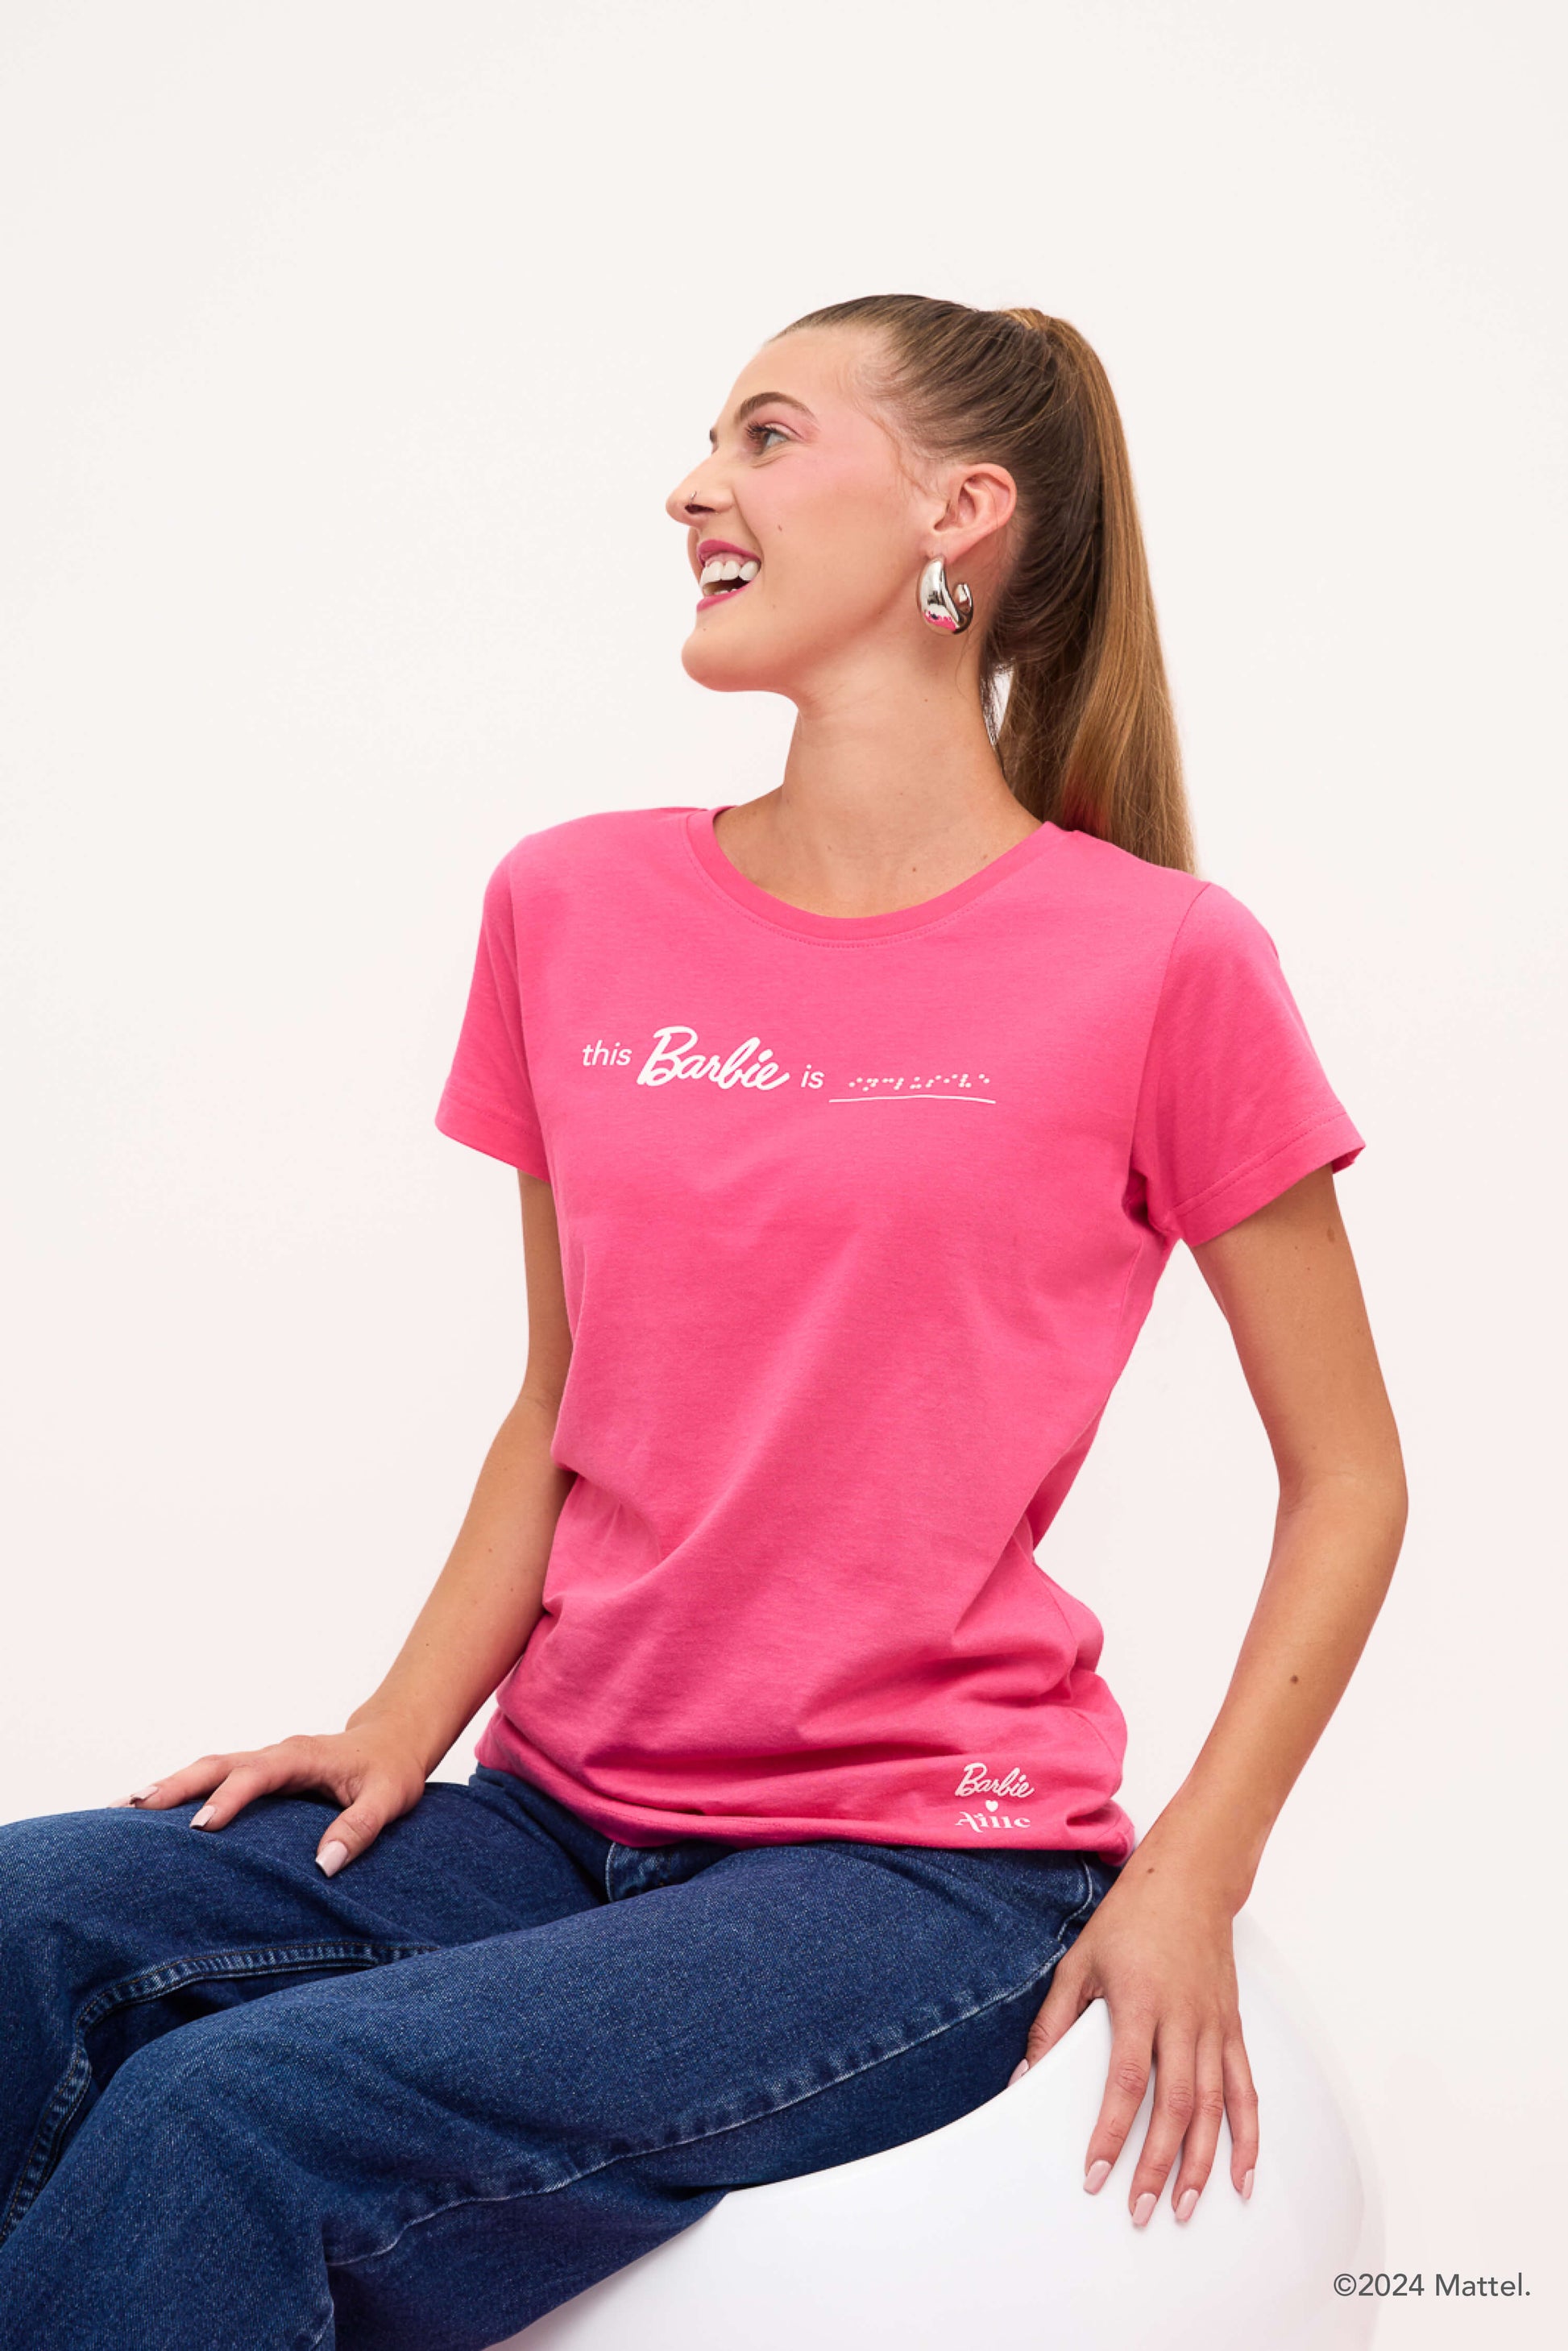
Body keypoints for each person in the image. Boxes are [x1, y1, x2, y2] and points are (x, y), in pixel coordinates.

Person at [0, 296, 1407, 2350]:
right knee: (26, 1926)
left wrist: (1188, 1870)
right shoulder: (571, 904)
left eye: (762, 437)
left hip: (912, 1871)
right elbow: (561, 1400)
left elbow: (1350, 1476)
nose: (692, 486)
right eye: (707, 444)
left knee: (241, 2114)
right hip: (548, 1821)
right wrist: (402, 1720)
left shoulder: (1161, 962)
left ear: (961, 513)